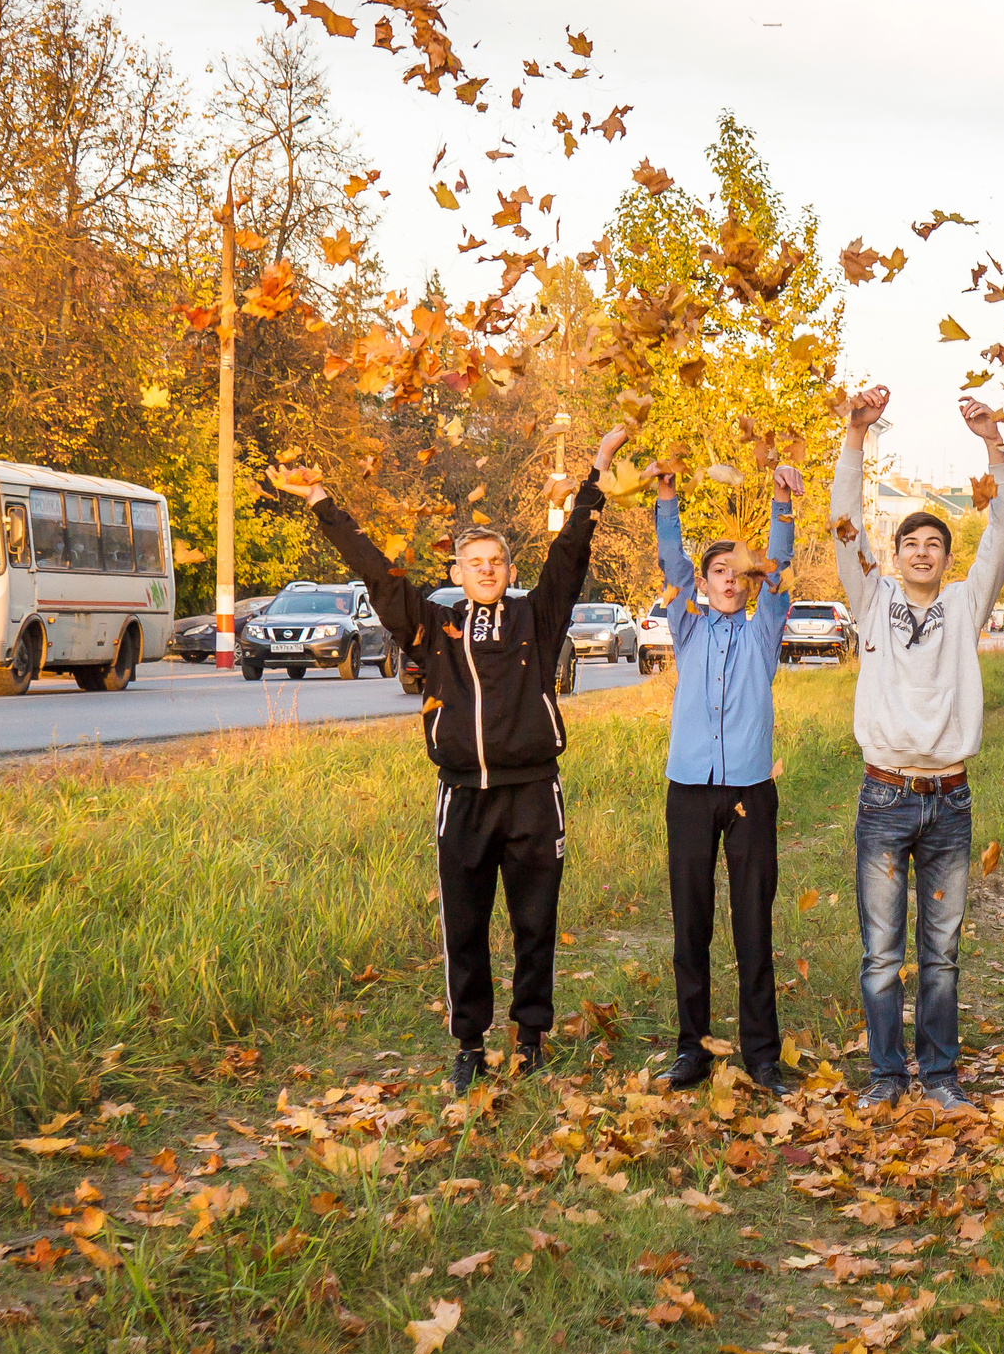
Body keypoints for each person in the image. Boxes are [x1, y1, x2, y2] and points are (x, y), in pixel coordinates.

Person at [288, 424, 622, 1093]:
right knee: (464, 924)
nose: (488, 571)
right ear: (456, 575)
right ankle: (468, 1043)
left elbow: (571, 553)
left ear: (510, 571)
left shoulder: (538, 616)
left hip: (533, 794)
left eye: (497, 562)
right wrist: (322, 500)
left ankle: (530, 1036)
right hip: (462, 799)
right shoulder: (433, 629)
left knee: (535, 921)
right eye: (474, 563)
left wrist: (597, 475)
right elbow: (376, 574)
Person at [833, 387, 1004, 1111]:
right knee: (883, 955)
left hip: (949, 800)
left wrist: (993, 444)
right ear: (897, 553)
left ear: (947, 557)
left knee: (940, 955)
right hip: (885, 796)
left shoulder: (965, 603)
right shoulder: (870, 598)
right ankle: (887, 1077)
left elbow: (1002, 530)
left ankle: (939, 1079)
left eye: (933, 544)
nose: (920, 552)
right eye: (909, 543)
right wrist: (855, 435)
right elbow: (844, 525)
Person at [650, 454, 804, 1094]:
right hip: (688, 788)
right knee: (692, 921)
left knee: (751, 922)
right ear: (706, 582)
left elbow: (776, 562)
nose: (730, 580)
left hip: (748, 791)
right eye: (720, 571)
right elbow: (671, 564)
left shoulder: (764, 628)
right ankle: (693, 1049)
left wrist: (781, 505)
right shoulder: (686, 626)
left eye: (739, 572)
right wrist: (666, 498)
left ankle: (761, 1054)